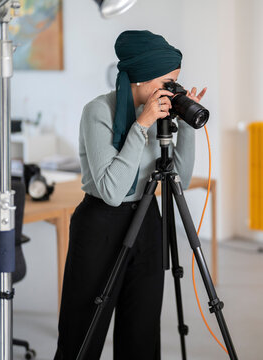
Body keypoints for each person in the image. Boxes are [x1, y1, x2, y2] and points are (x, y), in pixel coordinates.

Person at [54, 30, 207, 360]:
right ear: (139, 78)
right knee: (83, 333)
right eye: (166, 82)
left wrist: (187, 130)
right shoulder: (98, 111)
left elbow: (180, 177)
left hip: (147, 220)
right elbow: (111, 190)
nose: (171, 91)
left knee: (142, 333)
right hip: (101, 225)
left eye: (175, 83)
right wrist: (141, 125)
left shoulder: (159, 112)